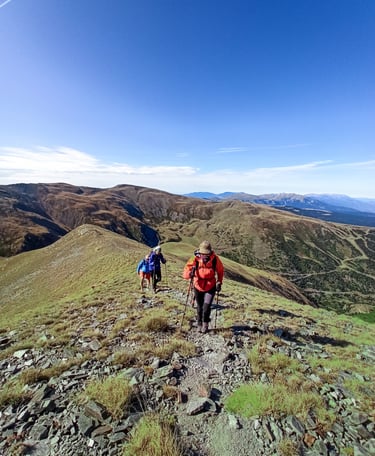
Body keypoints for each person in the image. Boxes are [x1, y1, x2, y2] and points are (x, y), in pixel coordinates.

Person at [183, 240, 224, 333]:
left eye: (207, 253)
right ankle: (199, 324)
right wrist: (190, 273)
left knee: (207, 306)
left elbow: (220, 271)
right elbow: (185, 272)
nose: (205, 255)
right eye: (203, 253)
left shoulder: (215, 259)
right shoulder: (194, 259)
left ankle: (205, 324)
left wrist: (219, 282)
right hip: (198, 285)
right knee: (199, 306)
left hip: (211, 285)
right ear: (200, 252)